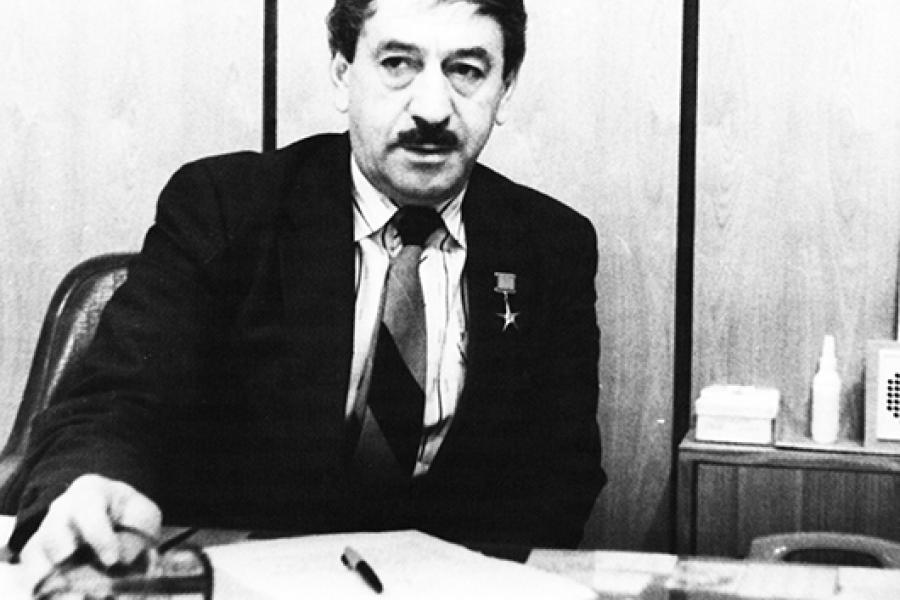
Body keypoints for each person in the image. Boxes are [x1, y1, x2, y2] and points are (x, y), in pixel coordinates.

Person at [7, 0, 605, 575]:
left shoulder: (552, 246)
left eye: (466, 71)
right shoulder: (224, 207)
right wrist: (87, 485)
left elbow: (563, 472)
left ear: (506, 88)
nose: (431, 109)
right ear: (343, 74)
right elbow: (119, 402)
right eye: (397, 63)